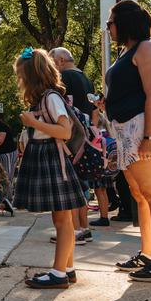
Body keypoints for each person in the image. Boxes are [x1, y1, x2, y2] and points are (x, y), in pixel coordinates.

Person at [97, 0, 151, 283]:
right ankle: (148, 253)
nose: (108, 28)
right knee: (140, 195)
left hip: (144, 127)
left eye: (110, 23)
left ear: (125, 22)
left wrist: (148, 138)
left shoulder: (148, 48)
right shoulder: (128, 52)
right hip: (126, 128)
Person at [13, 47, 87, 290]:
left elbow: (64, 131)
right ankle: (67, 268)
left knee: (62, 219)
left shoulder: (50, 98)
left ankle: (58, 273)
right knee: (62, 218)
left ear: (32, 76)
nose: (19, 80)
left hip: (52, 159)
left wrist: (33, 122)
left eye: (21, 75)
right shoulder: (45, 98)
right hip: (46, 157)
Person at [50, 47, 98, 243]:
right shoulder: (87, 79)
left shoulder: (65, 78)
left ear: (61, 60)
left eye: (53, 62)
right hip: (86, 134)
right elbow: (95, 109)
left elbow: (64, 109)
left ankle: (75, 229)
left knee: (70, 183)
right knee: (81, 183)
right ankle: (83, 227)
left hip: (72, 135)